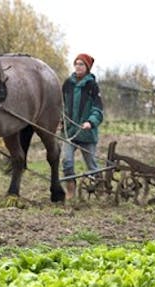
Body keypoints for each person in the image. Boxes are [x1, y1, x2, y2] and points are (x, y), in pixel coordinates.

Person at [61, 53, 104, 200]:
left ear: (87, 68)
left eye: (81, 64)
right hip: (70, 131)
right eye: (76, 64)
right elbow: (61, 105)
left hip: (86, 132)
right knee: (67, 161)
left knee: (91, 165)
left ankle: (100, 186)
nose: (78, 67)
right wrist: (60, 121)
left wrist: (90, 122)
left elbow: (98, 108)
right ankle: (70, 189)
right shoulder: (67, 84)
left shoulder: (92, 85)